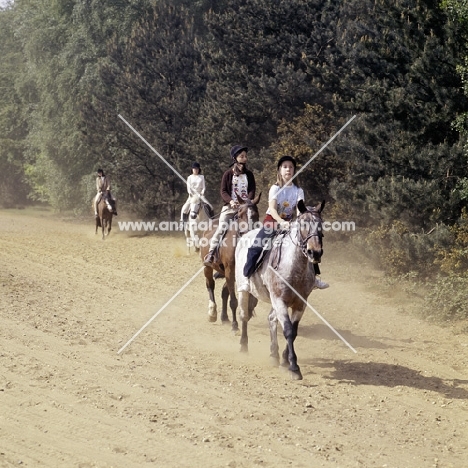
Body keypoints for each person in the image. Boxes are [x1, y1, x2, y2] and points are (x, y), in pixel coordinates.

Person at [238, 155, 328, 291]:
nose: (288, 170)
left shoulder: (298, 191)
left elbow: (299, 211)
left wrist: (299, 222)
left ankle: (314, 278)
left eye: (291, 167)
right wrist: (280, 222)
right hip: (272, 222)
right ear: (279, 170)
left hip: (290, 224)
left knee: (308, 244)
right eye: (285, 167)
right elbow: (273, 210)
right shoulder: (275, 188)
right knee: (256, 247)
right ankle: (246, 278)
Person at [203, 145, 256, 266]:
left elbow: (252, 189)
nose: (244, 158)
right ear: (234, 158)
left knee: (253, 228)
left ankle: (254, 256)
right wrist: (231, 201)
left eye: (245, 156)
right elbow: (223, 191)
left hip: (245, 208)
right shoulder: (227, 174)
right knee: (221, 228)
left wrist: (248, 200)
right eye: (241, 156)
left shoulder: (250, 175)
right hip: (230, 208)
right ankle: (211, 254)